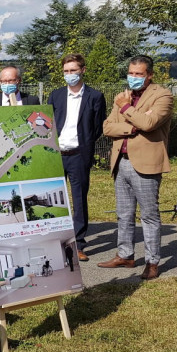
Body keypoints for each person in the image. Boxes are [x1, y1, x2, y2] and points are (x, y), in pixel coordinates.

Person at [97, 55, 173, 280]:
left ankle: (152, 261)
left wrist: (126, 109)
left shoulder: (163, 96)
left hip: (146, 164)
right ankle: (125, 255)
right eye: (131, 73)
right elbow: (108, 127)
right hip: (121, 161)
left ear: (149, 75)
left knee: (149, 216)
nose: (133, 78)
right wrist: (131, 126)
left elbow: (149, 123)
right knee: (123, 213)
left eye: (139, 74)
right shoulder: (123, 96)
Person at [47, 53, 106, 261]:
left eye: (73, 70)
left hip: (79, 155)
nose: (69, 74)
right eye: (66, 71)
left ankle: (79, 244)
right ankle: (54, 242)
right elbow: (48, 124)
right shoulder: (55, 95)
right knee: (51, 200)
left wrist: (85, 143)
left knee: (79, 199)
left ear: (83, 70)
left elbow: (98, 127)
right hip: (56, 154)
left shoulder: (95, 97)